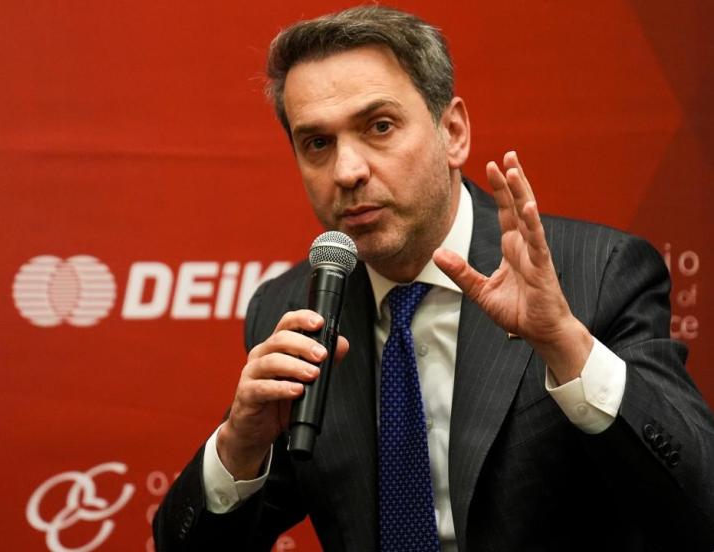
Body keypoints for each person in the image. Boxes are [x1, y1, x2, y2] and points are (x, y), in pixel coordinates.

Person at [154, 6, 714, 551]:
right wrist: (239, 447)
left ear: (453, 132)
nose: (347, 171)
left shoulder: (596, 275)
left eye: (379, 127)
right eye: (318, 143)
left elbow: (700, 506)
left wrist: (567, 348)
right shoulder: (291, 309)